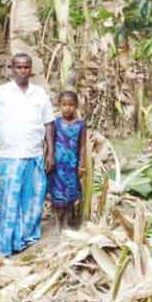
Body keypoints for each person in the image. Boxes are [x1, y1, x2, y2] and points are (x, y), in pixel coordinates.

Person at [0, 53, 55, 258]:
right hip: (10, 155)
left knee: (33, 201)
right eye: (19, 67)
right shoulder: (1, 93)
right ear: (11, 69)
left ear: (31, 70)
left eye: (26, 67)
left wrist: (51, 152)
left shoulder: (40, 94)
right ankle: (5, 247)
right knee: (9, 202)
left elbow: (49, 124)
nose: (22, 71)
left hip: (35, 155)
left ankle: (26, 240)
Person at [48, 91, 86, 232]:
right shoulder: (55, 123)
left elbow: (82, 146)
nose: (67, 108)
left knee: (70, 193)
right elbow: (50, 142)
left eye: (71, 105)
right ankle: (57, 221)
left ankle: (66, 222)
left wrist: (81, 164)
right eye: (64, 105)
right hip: (58, 165)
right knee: (57, 194)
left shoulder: (80, 125)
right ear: (59, 106)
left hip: (72, 165)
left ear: (76, 106)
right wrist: (49, 158)